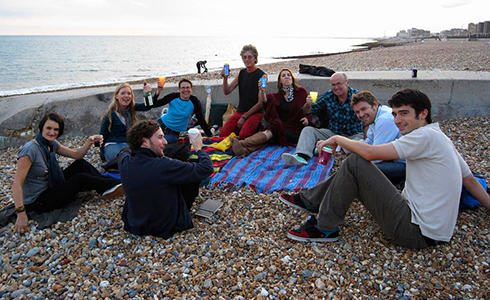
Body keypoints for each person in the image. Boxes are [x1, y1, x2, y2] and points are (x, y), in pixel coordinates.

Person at [279, 88, 490, 249]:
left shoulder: (423, 136)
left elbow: (370, 154)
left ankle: (324, 228)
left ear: (423, 113)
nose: (398, 120)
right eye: (396, 114)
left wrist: (336, 138)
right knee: (355, 167)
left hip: (415, 232)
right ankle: (312, 201)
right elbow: (470, 181)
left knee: (355, 163)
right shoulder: (441, 138)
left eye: (404, 113)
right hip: (431, 229)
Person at [12, 113, 124, 235]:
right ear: (41, 128)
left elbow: (77, 155)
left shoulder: (50, 144)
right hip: (38, 201)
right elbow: (16, 183)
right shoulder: (30, 150)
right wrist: (21, 213)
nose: (52, 132)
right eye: (48, 128)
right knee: (80, 179)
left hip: (50, 185)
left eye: (56, 129)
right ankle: (115, 184)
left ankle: (107, 186)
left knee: (80, 164)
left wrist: (89, 141)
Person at [118, 120, 214, 239]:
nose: (165, 141)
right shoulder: (164, 165)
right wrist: (199, 148)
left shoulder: (124, 162)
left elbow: (124, 152)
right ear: (144, 142)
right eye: (160, 138)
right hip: (165, 226)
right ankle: (183, 210)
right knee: (190, 173)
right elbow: (206, 168)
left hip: (134, 224)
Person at [282, 72, 364, 166]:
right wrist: (308, 104)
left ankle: (329, 147)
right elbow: (308, 111)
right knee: (308, 131)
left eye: (339, 84)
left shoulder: (357, 97)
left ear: (347, 83)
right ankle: (302, 155)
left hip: (353, 135)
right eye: (333, 85)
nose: (336, 87)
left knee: (360, 144)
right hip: (333, 134)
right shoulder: (329, 96)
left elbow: (368, 116)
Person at [230, 68, 313, 157]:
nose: (287, 77)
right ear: (280, 81)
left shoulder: (301, 92)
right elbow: (265, 99)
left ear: (292, 79)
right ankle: (244, 151)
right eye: (283, 76)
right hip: (281, 127)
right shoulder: (277, 96)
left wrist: (308, 105)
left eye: (288, 75)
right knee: (272, 131)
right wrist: (262, 90)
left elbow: (306, 111)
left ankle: (242, 143)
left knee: (271, 131)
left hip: (295, 129)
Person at [351, 91, 406, 184]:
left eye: (364, 109)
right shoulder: (375, 117)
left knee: (360, 168)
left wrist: (356, 154)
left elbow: (376, 157)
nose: (361, 114)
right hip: (393, 159)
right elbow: (369, 141)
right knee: (355, 162)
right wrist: (351, 146)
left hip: (405, 164)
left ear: (375, 104)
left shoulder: (384, 119)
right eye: (357, 112)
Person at [219, 44, 265, 139]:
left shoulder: (262, 76)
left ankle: (257, 129)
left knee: (244, 136)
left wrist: (244, 117)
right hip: (240, 111)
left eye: (249, 57)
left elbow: (261, 103)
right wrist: (225, 78)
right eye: (244, 57)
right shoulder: (241, 73)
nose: (247, 60)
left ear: (255, 59)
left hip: (255, 113)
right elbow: (227, 91)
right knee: (222, 134)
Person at [150, 78, 212, 144]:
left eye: (188, 87)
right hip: (161, 124)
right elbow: (154, 105)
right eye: (183, 88)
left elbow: (200, 118)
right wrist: (158, 92)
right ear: (179, 89)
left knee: (159, 143)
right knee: (144, 137)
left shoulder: (194, 101)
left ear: (191, 89)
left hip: (174, 133)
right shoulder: (173, 96)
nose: (185, 90)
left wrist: (209, 134)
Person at [99, 83, 150, 162]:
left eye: (129, 93)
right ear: (116, 96)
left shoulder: (131, 108)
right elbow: (102, 136)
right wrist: (102, 156)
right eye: (123, 93)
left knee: (143, 155)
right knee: (124, 158)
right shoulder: (109, 115)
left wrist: (147, 93)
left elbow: (147, 106)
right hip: (113, 144)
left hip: (128, 144)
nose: (126, 96)